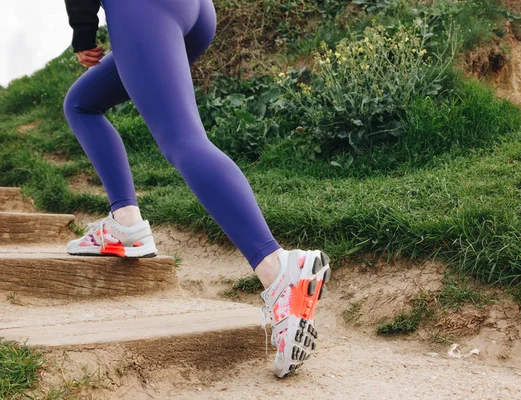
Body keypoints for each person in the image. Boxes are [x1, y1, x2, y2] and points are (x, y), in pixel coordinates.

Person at [62, 0, 331, 378]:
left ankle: (279, 269)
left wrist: (83, 34)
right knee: (81, 103)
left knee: (184, 142)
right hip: (196, 11)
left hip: (143, 8)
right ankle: (126, 223)